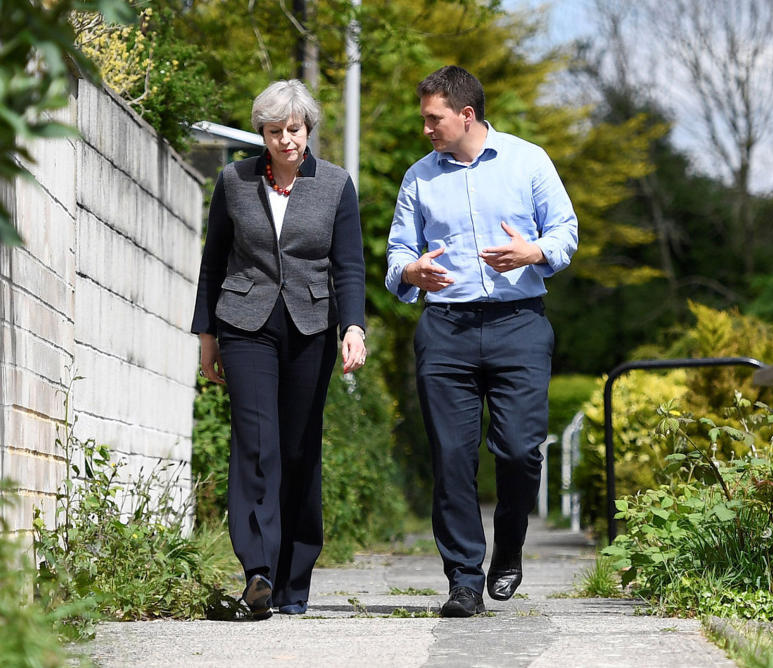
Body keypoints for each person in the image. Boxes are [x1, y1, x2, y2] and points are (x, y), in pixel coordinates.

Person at [385, 66, 578, 617]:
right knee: (451, 458)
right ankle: (463, 579)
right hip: (445, 329)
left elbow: (565, 229)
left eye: (433, 118)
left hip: (519, 324)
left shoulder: (529, 160)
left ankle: (510, 547)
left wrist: (534, 253)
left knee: (519, 451)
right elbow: (398, 255)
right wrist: (412, 271)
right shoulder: (418, 178)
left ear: (466, 114)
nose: (426, 128)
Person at [192, 79, 367, 620]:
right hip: (245, 323)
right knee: (254, 444)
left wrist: (353, 327)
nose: (285, 140)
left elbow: (349, 265)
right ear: (261, 133)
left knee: (297, 449)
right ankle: (258, 571)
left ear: (307, 128)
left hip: (312, 325)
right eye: (274, 131)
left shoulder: (336, 185)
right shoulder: (234, 180)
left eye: (294, 129)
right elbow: (213, 260)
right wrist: (206, 336)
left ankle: (294, 580)